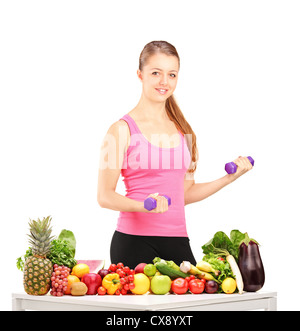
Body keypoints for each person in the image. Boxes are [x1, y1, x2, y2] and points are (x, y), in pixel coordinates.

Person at [97, 40, 253, 269]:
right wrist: (146, 205)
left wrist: (229, 178)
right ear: (140, 75)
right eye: (156, 73)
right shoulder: (120, 130)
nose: (164, 82)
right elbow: (104, 196)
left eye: (172, 74)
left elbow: (185, 193)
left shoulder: (183, 130)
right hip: (133, 242)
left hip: (177, 240)